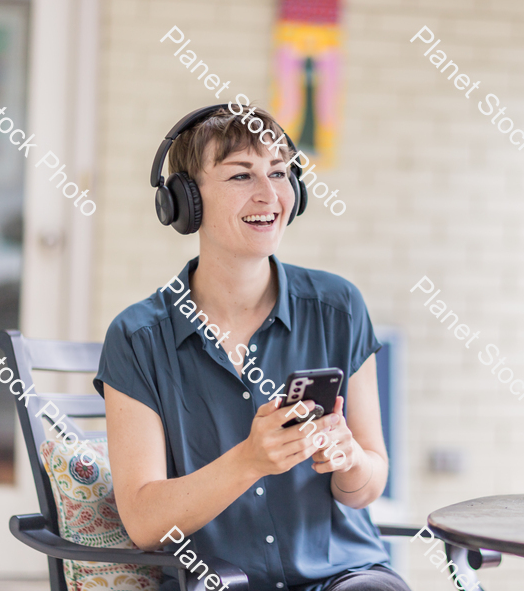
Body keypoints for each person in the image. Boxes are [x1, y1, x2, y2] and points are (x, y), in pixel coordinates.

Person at [93, 104, 410, 591]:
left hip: (344, 580)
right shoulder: (138, 338)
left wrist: (349, 461)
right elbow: (143, 521)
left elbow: (366, 486)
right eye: (241, 176)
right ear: (186, 200)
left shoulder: (338, 308)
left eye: (279, 173)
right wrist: (249, 460)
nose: (270, 195)